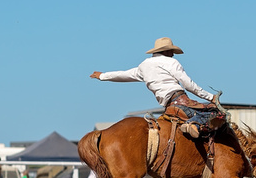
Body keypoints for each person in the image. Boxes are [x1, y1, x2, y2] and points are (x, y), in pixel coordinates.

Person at [90, 37, 219, 139]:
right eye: (172, 51)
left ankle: (191, 124)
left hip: (169, 108)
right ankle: (193, 124)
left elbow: (123, 75)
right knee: (217, 113)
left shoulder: (143, 66)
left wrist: (102, 76)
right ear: (166, 51)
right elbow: (188, 84)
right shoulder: (171, 62)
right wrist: (210, 97)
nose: (173, 54)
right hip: (182, 103)